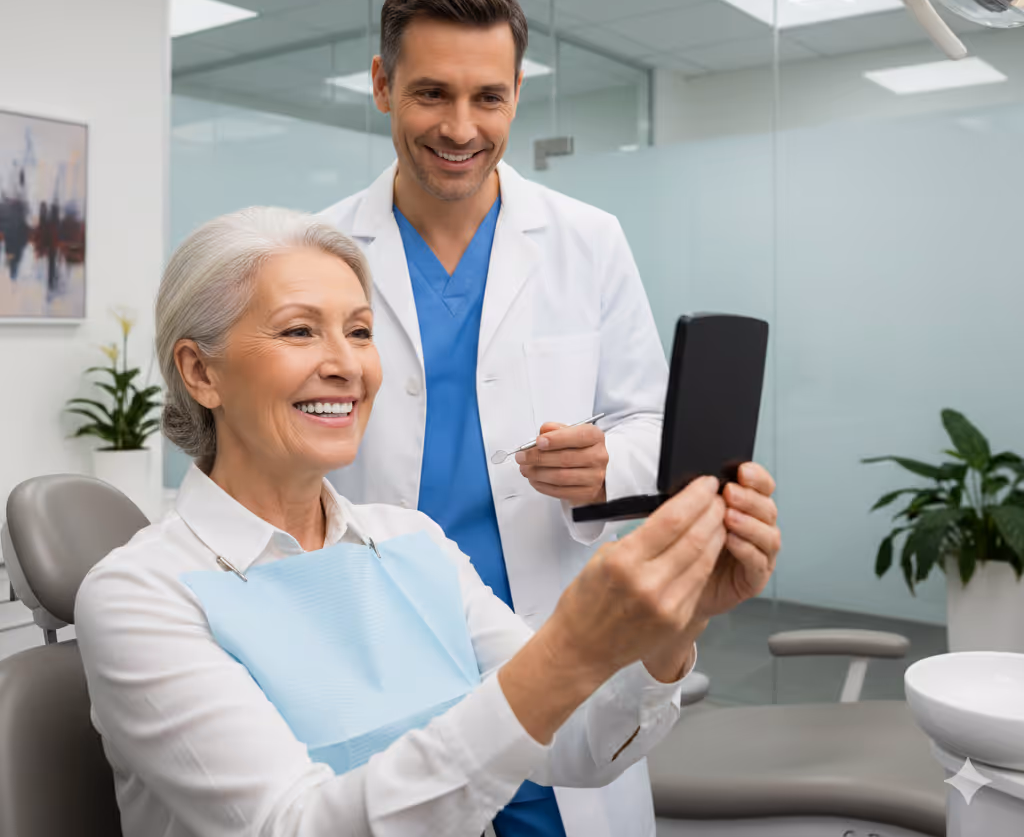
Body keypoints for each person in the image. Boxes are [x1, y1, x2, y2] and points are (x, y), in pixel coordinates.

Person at [75, 207, 781, 837]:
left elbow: (578, 746)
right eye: (299, 331)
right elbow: (293, 826)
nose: (346, 365)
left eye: (359, 331)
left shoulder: (411, 541)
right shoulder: (141, 596)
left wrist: (677, 621)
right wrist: (568, 648)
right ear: (201, 373)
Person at [320, 0, 671, 835]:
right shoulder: (321, 251)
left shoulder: (588, 241)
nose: (460, 128)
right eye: (432, 93)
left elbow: (652, 426)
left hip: (547, 639)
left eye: (489, 98)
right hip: (376, 648)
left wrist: (604, 465)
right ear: (381, 85)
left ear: (518, 94)